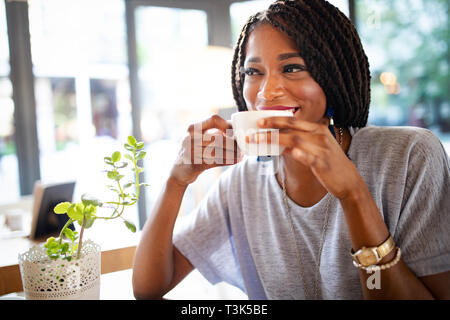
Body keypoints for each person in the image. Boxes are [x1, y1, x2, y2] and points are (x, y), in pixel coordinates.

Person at [132, 0, 450, 299]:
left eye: (292, 67)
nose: (267, 92)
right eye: (253, 72)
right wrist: (176, 181)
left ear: (332, 75)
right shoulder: (240, 184)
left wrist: (353, 194)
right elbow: (149, 287)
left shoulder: (409, 155)